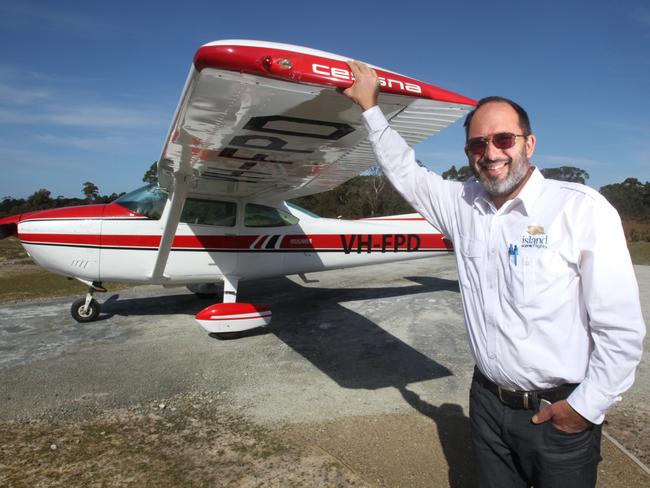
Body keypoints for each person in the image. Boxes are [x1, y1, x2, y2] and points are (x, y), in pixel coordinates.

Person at [342, 60, 646, 488]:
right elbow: (406, 173)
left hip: (559, 411)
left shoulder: (581, 208)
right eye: (477, 145)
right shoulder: (463, 204)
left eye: (504, 139)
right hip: (486, 404)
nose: (491, 153)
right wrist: (370, 109)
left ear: (529, 144)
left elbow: (621, 329)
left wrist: (584, 408)